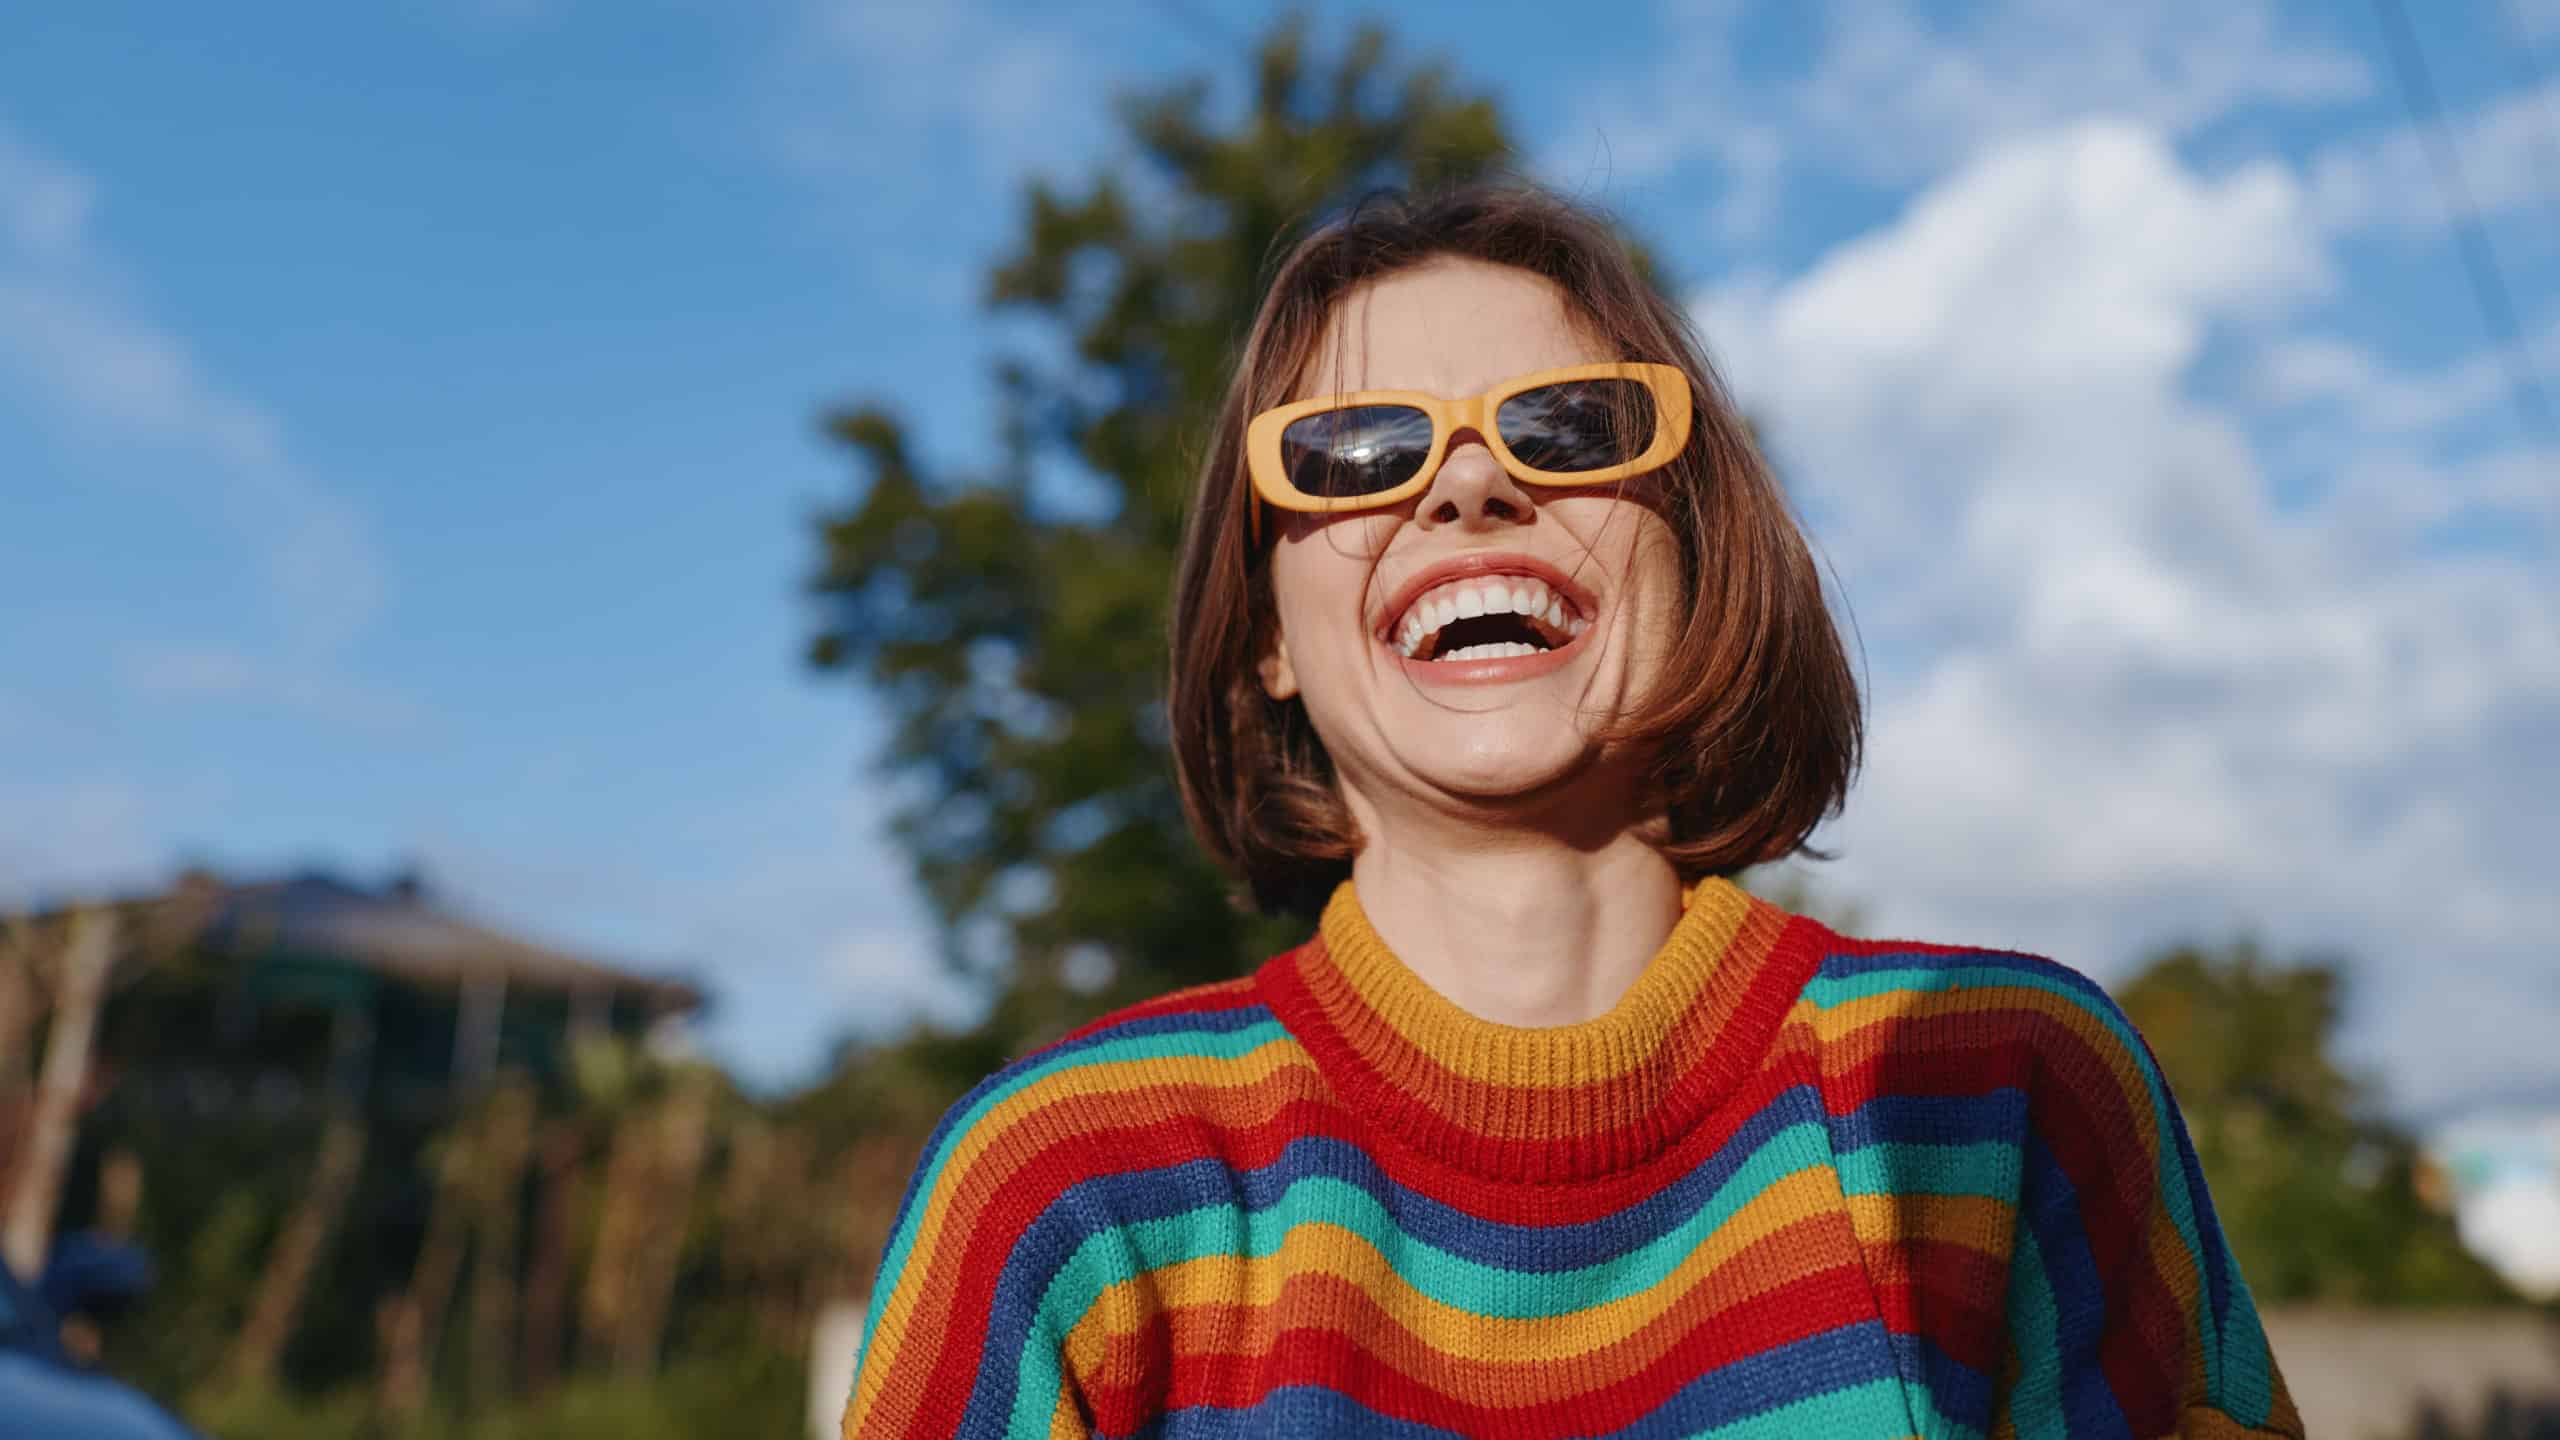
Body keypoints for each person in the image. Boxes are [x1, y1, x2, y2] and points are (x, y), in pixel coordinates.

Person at [840, 182, 2300, 1439]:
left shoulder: (2005, 1093)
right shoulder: (1062, 1194)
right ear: (1266, 627)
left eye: (1571, 425)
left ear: (1696, 550)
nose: (1469, 484)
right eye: (1354, 450)